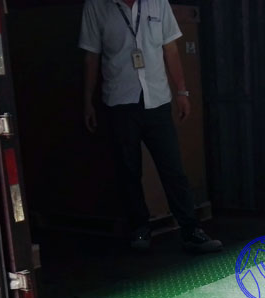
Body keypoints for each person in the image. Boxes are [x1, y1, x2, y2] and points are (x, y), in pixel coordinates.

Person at [79, 0, 221, 253]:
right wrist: (87, 101)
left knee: (173, 169)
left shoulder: (158, 3)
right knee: (128, 170)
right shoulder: (96, 6)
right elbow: (92, 57)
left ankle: (191, 230)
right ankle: (140, 228)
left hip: (157, 100)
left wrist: (182, 92)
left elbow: (171, 49)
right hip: (119, 102)